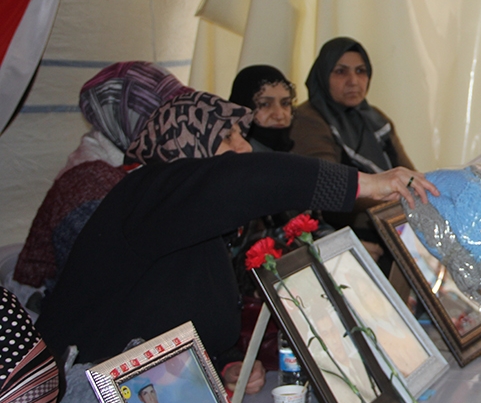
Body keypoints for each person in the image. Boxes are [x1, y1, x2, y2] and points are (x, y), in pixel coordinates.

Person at [35, 92, 436, 386]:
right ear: (184, 146)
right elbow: (236, 182)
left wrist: (226, 363)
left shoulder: (199, 229)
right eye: (227, 137)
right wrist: (360, 183)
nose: (244, 147)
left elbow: (183, 315)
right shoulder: (147, 192)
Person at [14, 61, 190, 295]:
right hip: (54, 310)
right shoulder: (89, 182)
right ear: (129, 118)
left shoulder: (139, 162)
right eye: (164, 116)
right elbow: (109, 276)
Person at [291, 37, 415, 263]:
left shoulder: (374, 118)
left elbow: (408, 173)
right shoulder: (309, 119)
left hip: (392, 227)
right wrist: (394, 198)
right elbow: (326, 188)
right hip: (343, 235)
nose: (353, 81)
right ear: (323, 75)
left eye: (361, 71)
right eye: (340, 72)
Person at [229, 65, 296, 152]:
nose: (279, 115)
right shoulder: (237, 157)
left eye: (285, 103)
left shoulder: (289, 151)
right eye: (265, 104)